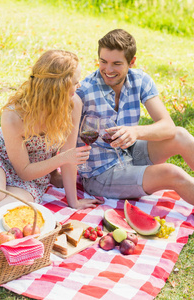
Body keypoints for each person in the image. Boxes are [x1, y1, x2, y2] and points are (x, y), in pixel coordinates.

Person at [76, 28, 194, 206]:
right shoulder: (85, 91)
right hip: (100, 173)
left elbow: (168, 126)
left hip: (129, 153)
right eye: (103, 61)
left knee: (181, 136)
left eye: (116, 63)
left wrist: (136, 131)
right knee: (172, 173)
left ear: (131, 62)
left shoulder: (139, 80)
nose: (108, 70)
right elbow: (63, 137)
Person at [0, 49, 104, 210]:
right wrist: (64, 158)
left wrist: (73, 202)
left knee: (13, 208)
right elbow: (25, 170)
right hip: (1, 158)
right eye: (75, 82)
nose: (78, 86)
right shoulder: (14, 115)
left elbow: (68, 159)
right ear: (59, 87)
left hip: (35, 173)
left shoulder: (73, 105)